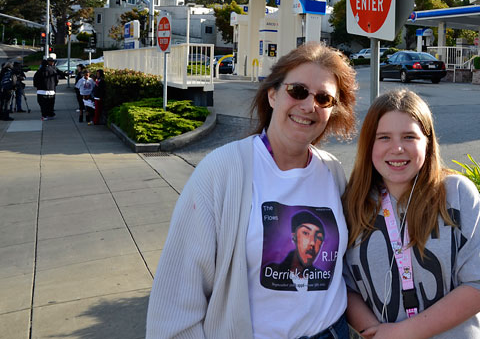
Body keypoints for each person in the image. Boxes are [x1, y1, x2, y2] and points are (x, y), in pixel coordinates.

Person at [147, 42, 358, 339]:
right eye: (297, 91)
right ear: (272, 94)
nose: (309, 105)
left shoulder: (332, 171)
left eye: (324, 98)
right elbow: (177, 296)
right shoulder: (222, 171)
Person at [343, 89, 480, 338]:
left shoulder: (457, 194)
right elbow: (345, 286)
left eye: (409, 137)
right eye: (384, 137)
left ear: (427, 142)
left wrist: (401, 333)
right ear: (368, 144)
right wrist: (374, 333)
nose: (397, 148)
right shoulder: (353, 203)